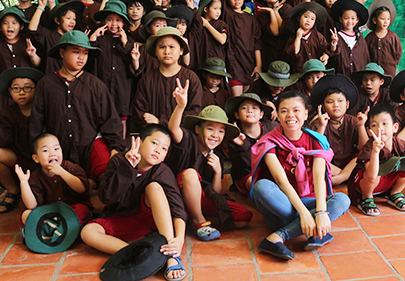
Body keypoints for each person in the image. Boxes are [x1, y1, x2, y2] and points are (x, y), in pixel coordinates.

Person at [250, 90, 351, 260]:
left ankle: (278, 237)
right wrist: (304, 214)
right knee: (262, 187)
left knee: (342, 200)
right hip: (282, 207)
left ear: (305, 114)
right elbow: (281, 181)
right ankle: (315, 232)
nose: (290, 115)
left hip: (309, 200)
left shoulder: (316, 139)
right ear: (278, 116)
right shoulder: (269, 141)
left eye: (296, 110)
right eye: (284, 111)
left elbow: (319, 176)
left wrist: (319, 212)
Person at [80, 126, 188, 281]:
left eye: (164, 148)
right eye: (154, 143)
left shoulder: (162, 171)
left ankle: (170, 254)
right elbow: (106, 198)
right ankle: (137, 253)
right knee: (88, 232)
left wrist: (178, 239)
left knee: (154, 187)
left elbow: (178, 207)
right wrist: (128, 167)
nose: (158, 150)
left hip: (151, 221)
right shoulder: (118, 161)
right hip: (122, 220)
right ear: (139, 141)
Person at [29, 31, 127, 179]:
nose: (81, 57)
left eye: (85, 53)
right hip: (57, 150)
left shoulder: (96, 85)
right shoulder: (46, 84)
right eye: (76, 52)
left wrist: (115, 148)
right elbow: (36, 121)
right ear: (62, 53)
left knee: (104, 179)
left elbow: (110, 121)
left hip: (89, 147)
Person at [168, 87, 253, 241]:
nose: (215, 135)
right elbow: (174, 129)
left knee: (243, 218)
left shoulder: (216, 155)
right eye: (210, 129)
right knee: (190, 174)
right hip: (177, 195)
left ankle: (193, 216)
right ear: (198, 129)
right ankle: (199, 221)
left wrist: (218, 171)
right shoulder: (188, 140)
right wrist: (180, 106)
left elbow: (215, 192)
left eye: (221, 131)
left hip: (200, 197)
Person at [0, 67, 45, 213]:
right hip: (20, 158)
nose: (22, 92)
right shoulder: (8, 112)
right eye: (16, 88)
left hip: (42, 159)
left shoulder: (43, 109)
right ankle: (13, 190)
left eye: (27, 88)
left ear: (36, 89)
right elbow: (1, 141)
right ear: (10, 92)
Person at [356, 105, 405, 216]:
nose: (380, 129)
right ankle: (366, 198)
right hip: (364, 186)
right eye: (374, 125)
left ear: (395, 127)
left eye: (385, 124)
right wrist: (375, 151)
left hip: (385, 185)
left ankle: (395, 193)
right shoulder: (369, 146)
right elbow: (372, 176)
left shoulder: (400, 144)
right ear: (369, 130)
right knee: (373, 173)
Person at [15, 133, 91, 225]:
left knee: (82, 210)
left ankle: (50, 228)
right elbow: (31, 205)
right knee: (26, 215)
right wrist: (24, 182)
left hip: (71, 209)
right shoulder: (35, 177)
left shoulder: (70, 167)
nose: (52, 153)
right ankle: (59, 227)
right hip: (49, 212)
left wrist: (62, 172)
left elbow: (82, 189)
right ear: (36, 158)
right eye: (45, 150)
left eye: (56, 149)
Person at [133, 27, 203, 127]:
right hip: (154, 137)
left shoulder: (191, 78)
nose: (167, 51)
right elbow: (139, 112)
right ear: (155, 52)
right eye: (162, 47)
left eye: (172, 47)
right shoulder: (147, 79)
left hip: (181, 137)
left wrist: (161, 122)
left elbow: (194, 113)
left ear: (181, 50)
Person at [0, 7, 40, 117]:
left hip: (26, 90)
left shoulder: (27, 43)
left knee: (27, 115)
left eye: (14, 23)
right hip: (5, 91)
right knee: (5, 115)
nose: (10, 26)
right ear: (0, 27)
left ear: (21, 26)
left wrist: (32, 55)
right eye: (5, 23)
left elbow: (38, 64)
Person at [309, 75, 367, 185]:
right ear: (323, 107)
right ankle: (347, 176)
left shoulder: (353, 121)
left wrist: (361, 126)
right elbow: (314, 150)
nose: (336, 105)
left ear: (347, 104)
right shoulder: (318, 123)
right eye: (330, 102)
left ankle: (339, 179)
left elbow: (363, 149)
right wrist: (322, 126)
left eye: (340, 101)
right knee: (317, 160)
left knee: (362, 157)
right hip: (329, 164)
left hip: (350, 163)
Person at [90, 0, 135, 136]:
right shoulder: (100, 39)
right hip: (102, 85)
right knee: (100, 115)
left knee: (122, 118)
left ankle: (120, 147)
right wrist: (93, 38)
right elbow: (89, 59)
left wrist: (125, 43)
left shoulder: (129, 41)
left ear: (124, 23)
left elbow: (132, 64)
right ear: (104, 22)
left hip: (122, 87)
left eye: (118, 20)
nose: (114, 24)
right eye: (110, 20)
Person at [225, 93, 276, 195]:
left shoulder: (273, 128)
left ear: (261, 114)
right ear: (237, 115)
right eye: (244, 108)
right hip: (247, 175)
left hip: (273, 171)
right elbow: (244, 167)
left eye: (254, 108)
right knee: (259, 187)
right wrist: (243, 146)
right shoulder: (234, 136)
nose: (250, 110)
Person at [220, 0, 261, 96]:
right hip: (233, 64)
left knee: (247, 100)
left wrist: (259, 65)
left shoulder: (252, 19)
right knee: (236, 100)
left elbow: (257, 43)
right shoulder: (227, 14)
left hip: (249, 64)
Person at [254, 0, 292, 68]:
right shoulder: (262, 14)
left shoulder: (287, 8)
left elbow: (285, 29)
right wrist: (272, 12)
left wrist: (276, 12)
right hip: (270, 53)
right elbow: (275, 32)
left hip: (287, 50)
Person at [284, 2, 331, 73]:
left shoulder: (318, 36)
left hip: (315, 72)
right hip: (299, 72)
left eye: (312, 19)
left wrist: (325, 56)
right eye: (306, 17)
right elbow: (294, 53)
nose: (308, 20)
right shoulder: (293, 37)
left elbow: (326, 49)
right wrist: (298, 38)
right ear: (299, 18)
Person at [328, 0, 370, 78]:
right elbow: (332, 53)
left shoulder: (360, 38)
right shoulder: (338, 36)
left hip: (358, 78)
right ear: (341, 19)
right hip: (342, 76)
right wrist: (334, 42)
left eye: (353, 18)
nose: (349, 21)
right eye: (346, 18)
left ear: (357, 20)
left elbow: (365, 57)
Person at [365, 0, 402, 78]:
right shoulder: (369, 37)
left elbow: (398, 53)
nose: (386, 22)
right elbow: (365, 53)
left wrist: (392, 64)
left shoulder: (393, 37)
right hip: (373, 72)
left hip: (389, 71)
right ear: (374, 20)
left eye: (388, 19)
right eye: (382, 19)